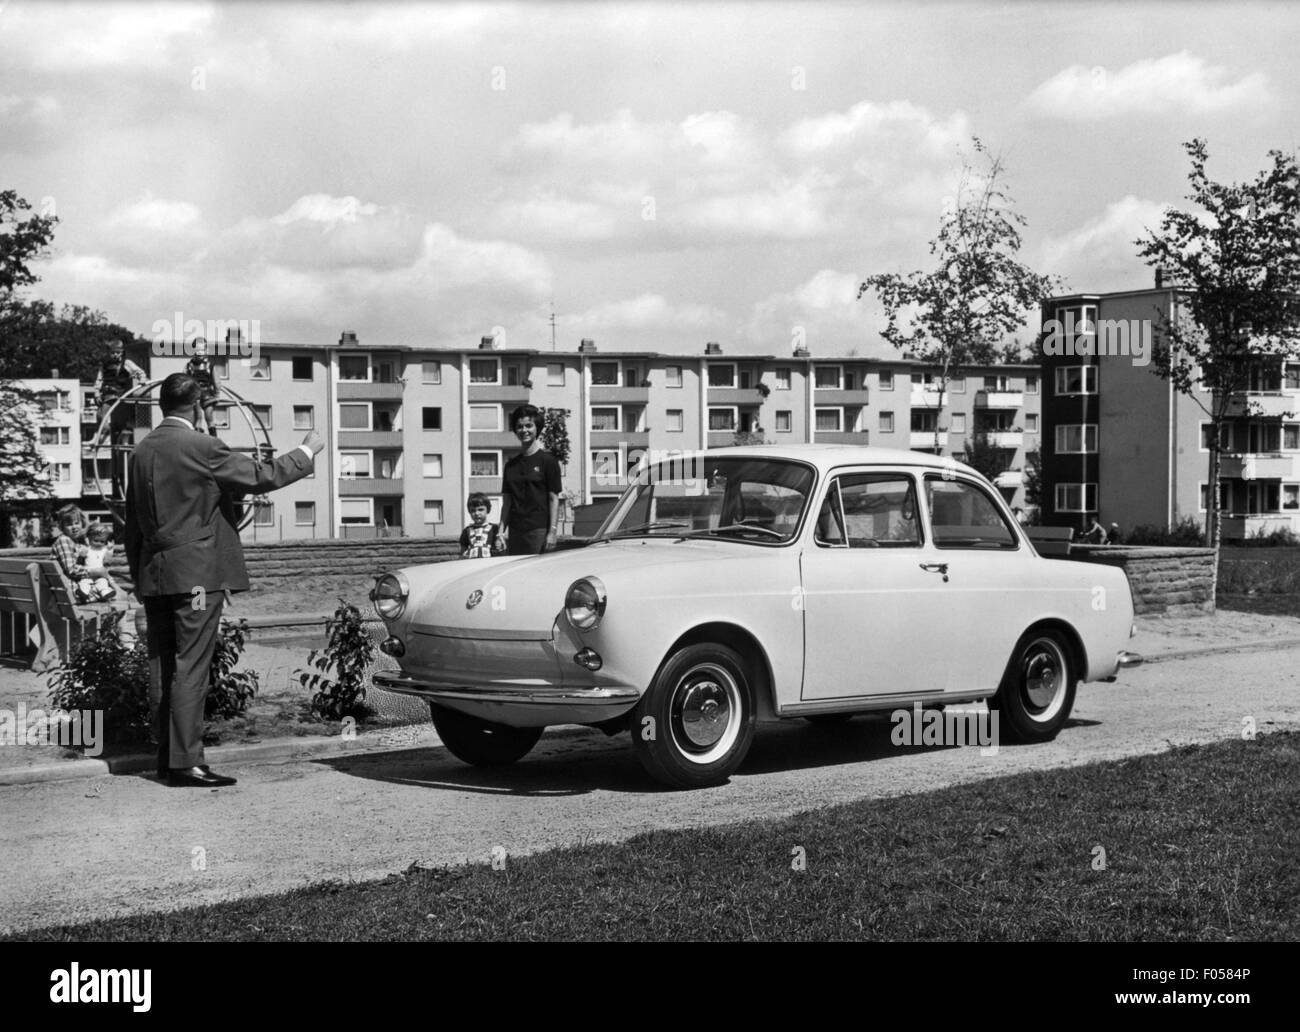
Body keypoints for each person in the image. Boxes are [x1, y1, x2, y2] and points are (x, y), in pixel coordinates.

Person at [125, 373, 323, 788]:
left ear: (162, 404)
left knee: (164, 666)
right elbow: (263, 475)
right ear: (197, 407)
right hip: (196, 577)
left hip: (155, 574)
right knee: (191, 666)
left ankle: (168, 758)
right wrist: (307, 450)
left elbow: (132, 527)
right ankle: (185, 764)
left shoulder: (141, 452)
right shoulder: (202, 446)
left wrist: (138, 576)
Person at [498, 404, 561, 555]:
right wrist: (500, 533)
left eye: (529, 425)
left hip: (539, 531)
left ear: (537, 428)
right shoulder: (510, 465)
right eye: (519, 426)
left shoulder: (548, 461)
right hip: (515, 532)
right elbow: (507, 503)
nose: (524, 430)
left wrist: (552, 532)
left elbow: (554, 499)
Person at [93, 339, 148, 498]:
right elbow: (99, 380)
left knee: (122, 423)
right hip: (109, 395)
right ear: (109, 353)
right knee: (101, 416)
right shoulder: (104, 365)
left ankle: (120, 434)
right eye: (113, 353)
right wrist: (97, 393)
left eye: (118, 352)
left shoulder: (127, 363)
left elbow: (139, 372)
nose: (116, 355)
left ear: (121, 352)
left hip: (121, 396)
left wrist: (142, 380)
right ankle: (104, 433)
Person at [183, 337, 221, 436]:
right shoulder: (189, 366)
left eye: (202, 350)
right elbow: (184, 379)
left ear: (206, 351)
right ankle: (198, 436)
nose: (199, 353)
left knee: (209, 417)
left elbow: (216, 381)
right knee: (198, 417)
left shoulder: (209, 366)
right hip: (195, 395)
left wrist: (217, 394)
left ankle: (213, 438)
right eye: (197, 350)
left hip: (207, 394)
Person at [77, 522, 121, 603]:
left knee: (103, 582)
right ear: (89, 539)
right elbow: (80, 560)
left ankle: (105, 593)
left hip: (100, 575)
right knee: (84, 583)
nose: (99, 543)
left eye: (102, 541)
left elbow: (107, 560)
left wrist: (110, 550)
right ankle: (83, 592)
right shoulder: (87, 549)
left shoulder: (104, 550)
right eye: (96, 540)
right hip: (88, 574)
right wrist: (81, 555)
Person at [459, 492, 500, 558]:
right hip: (472, 564)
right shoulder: (466, 531)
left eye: (480, 509)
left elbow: (499, 550)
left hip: (490, 563)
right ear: (469, 512)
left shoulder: (494, 529)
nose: (477, 513)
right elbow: (463, 551)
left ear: (488, 510)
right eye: (473, 510)